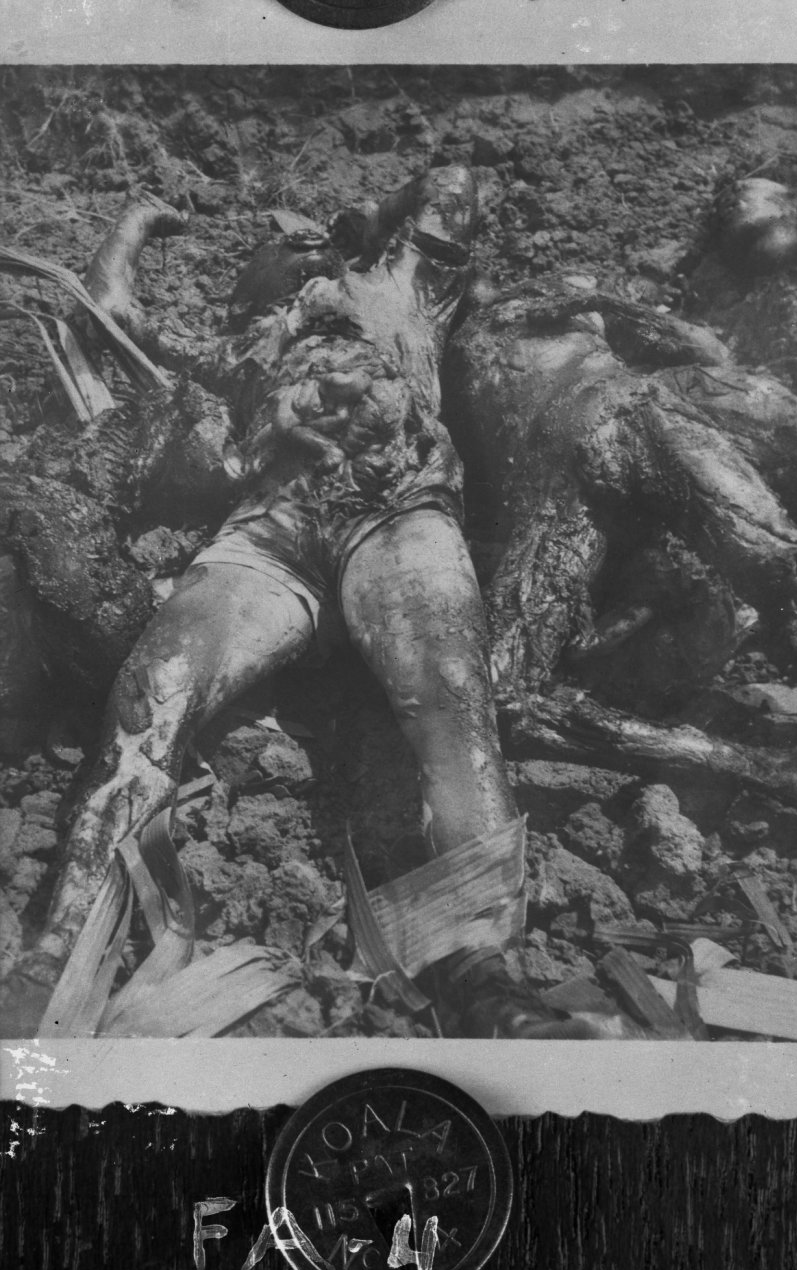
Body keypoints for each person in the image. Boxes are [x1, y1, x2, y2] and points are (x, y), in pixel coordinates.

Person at [3, 166, 591, 1039]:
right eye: (279, 242)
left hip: (398, 514)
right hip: (267, 539)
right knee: (149, 696)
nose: (303, 239)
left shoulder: (396, 290)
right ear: (249, 284)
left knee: (449, 694)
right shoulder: (239, 349)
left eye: (317, 236)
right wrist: (137, 219)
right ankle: (55, 950)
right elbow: (110, 307)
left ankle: (485, 977)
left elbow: (450, 190)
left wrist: (384, 216)